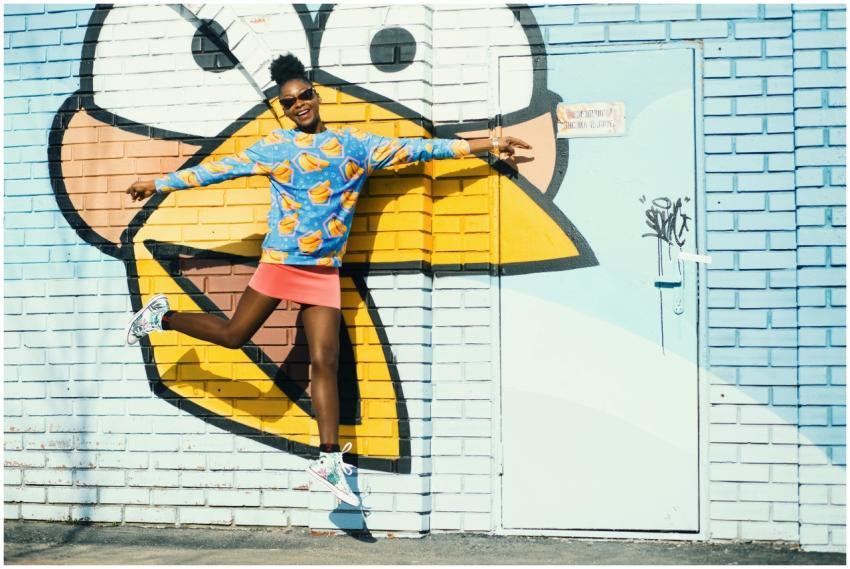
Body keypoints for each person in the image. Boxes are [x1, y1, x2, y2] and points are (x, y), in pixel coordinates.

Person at [125, 53, 531, 507]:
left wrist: (488, 143)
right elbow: (216, 170)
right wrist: (158, 184)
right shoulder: (275, 147)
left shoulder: (356, 145)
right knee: (234, 335)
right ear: (283, 109)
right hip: (280, 263)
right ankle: (165, 316)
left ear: (317, 96)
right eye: (289, 102)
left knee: (326, 361)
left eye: (305, 96)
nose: (299, 105)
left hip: (323, 272)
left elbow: (422, 149)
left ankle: (328, 458)